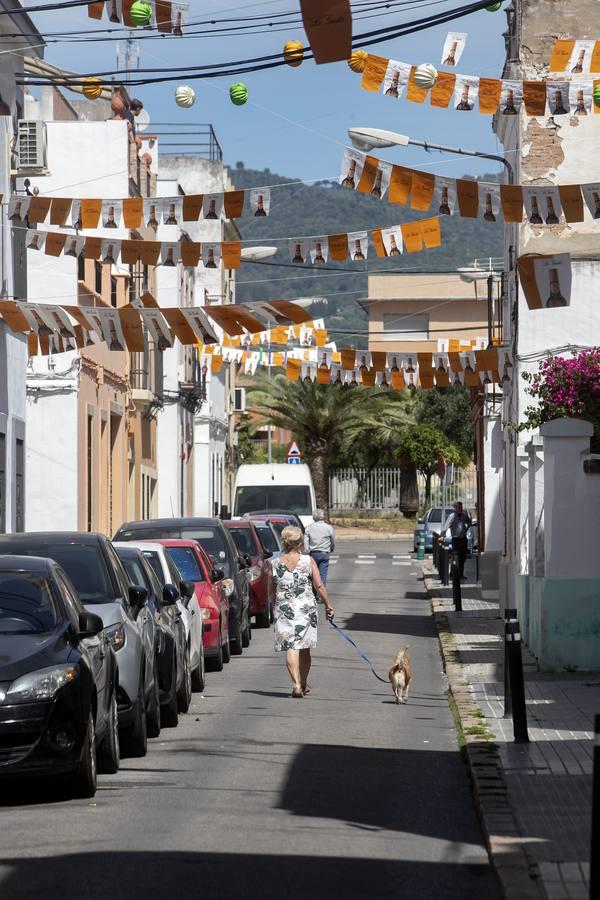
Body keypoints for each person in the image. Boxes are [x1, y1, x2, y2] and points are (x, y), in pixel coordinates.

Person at [270, 526, 334, 697]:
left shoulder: (275, 563)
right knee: (304, 647)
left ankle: (296, 685)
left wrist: (274, 606)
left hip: (284, 608)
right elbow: (319, 585)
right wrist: (328, 605)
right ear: (299, 542)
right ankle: (303, 682)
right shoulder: (307, 561)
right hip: (306, 609)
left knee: (291, 646)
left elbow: (271, 590)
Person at [440, 501, 472, 579]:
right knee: (455, 556)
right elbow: (446, 526)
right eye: (458, 507)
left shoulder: (464, 516)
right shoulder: (452, 516)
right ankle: (452, 573)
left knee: (463, 557)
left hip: (463, 539)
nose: (460, 509)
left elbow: (469, 522)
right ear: (455, 508)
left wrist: (466, 528)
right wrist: (442, 535)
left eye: (461, 507)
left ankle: (461, 574)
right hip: (456, 539)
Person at [304, 509, 335, 586]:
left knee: (313, 575)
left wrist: (306, 552)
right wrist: (331, 548)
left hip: (313, 554)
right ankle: (321, 592)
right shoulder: (329, 528)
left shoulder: (309, 528)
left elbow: (306, 542)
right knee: (322, 575)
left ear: (314, 517)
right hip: (324, 553)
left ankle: (314, 593)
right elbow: (332, 541)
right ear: (323, 517)